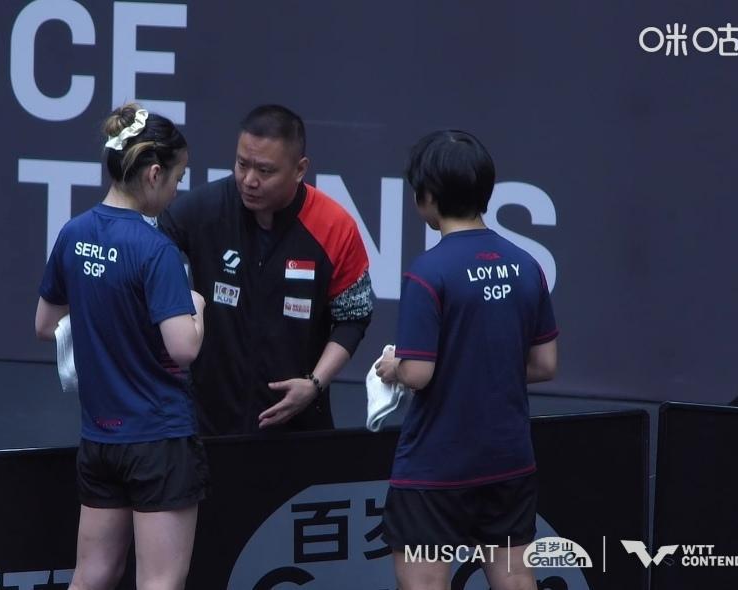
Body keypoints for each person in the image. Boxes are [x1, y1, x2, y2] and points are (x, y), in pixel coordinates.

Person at [375, 130, 559, 590]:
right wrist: (483, 366)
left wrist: (393, 368)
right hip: (508, 460)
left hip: (436, 465)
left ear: (427, 197)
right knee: (516, 581)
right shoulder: (527, 265)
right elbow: (544, 365)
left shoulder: (428, 272)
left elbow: (418, 373)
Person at [35, 103, 207, 590]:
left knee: (93, 574)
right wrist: (197, 308)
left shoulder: (74, 233)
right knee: (160, 581)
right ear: (153, 174)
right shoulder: (156, 250)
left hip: (100, 439)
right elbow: (184, 349)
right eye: (177, 179)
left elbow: (45, 324)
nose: (176, 192)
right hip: (158, 439)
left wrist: (105, 318)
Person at [158, 104, 374, 435]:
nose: (249, 180)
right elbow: (143, 250)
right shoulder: (203, 210)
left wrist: (314, 384)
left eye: (265, 170)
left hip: (299, 427)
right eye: (241, 164)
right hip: (207, 426)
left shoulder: (335, 227)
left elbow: (354, 317)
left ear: (300, 169)